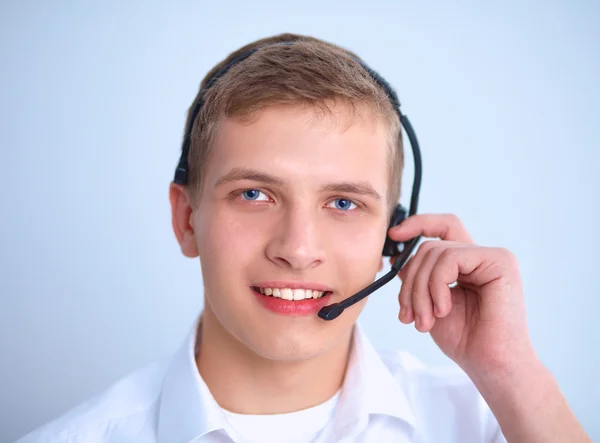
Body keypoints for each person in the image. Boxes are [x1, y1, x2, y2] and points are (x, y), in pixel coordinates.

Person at [17, 33, 590, 443]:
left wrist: (510, 374)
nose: (296, 247)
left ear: (396, 237)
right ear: (186, 219)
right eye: (254, 195)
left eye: (343, 203)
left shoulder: (497, 421)